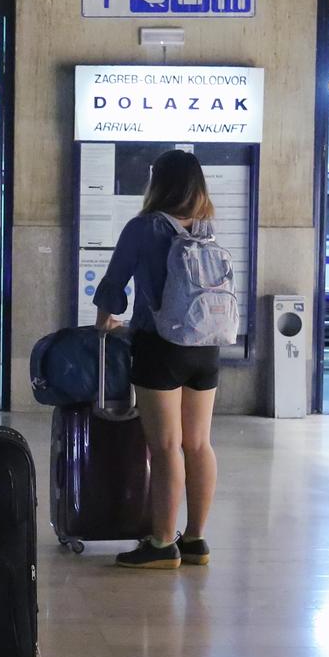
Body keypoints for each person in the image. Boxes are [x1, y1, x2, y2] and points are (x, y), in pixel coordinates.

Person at [94, 149, 220, 569]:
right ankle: (196, 539)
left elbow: (115, 283)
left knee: (166, 446)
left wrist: (104, 321)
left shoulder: (144, 227)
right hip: (206, 347)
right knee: (198, 443)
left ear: (158, 183)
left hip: (160, 348)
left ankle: (162, 543)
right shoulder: (206, 229)